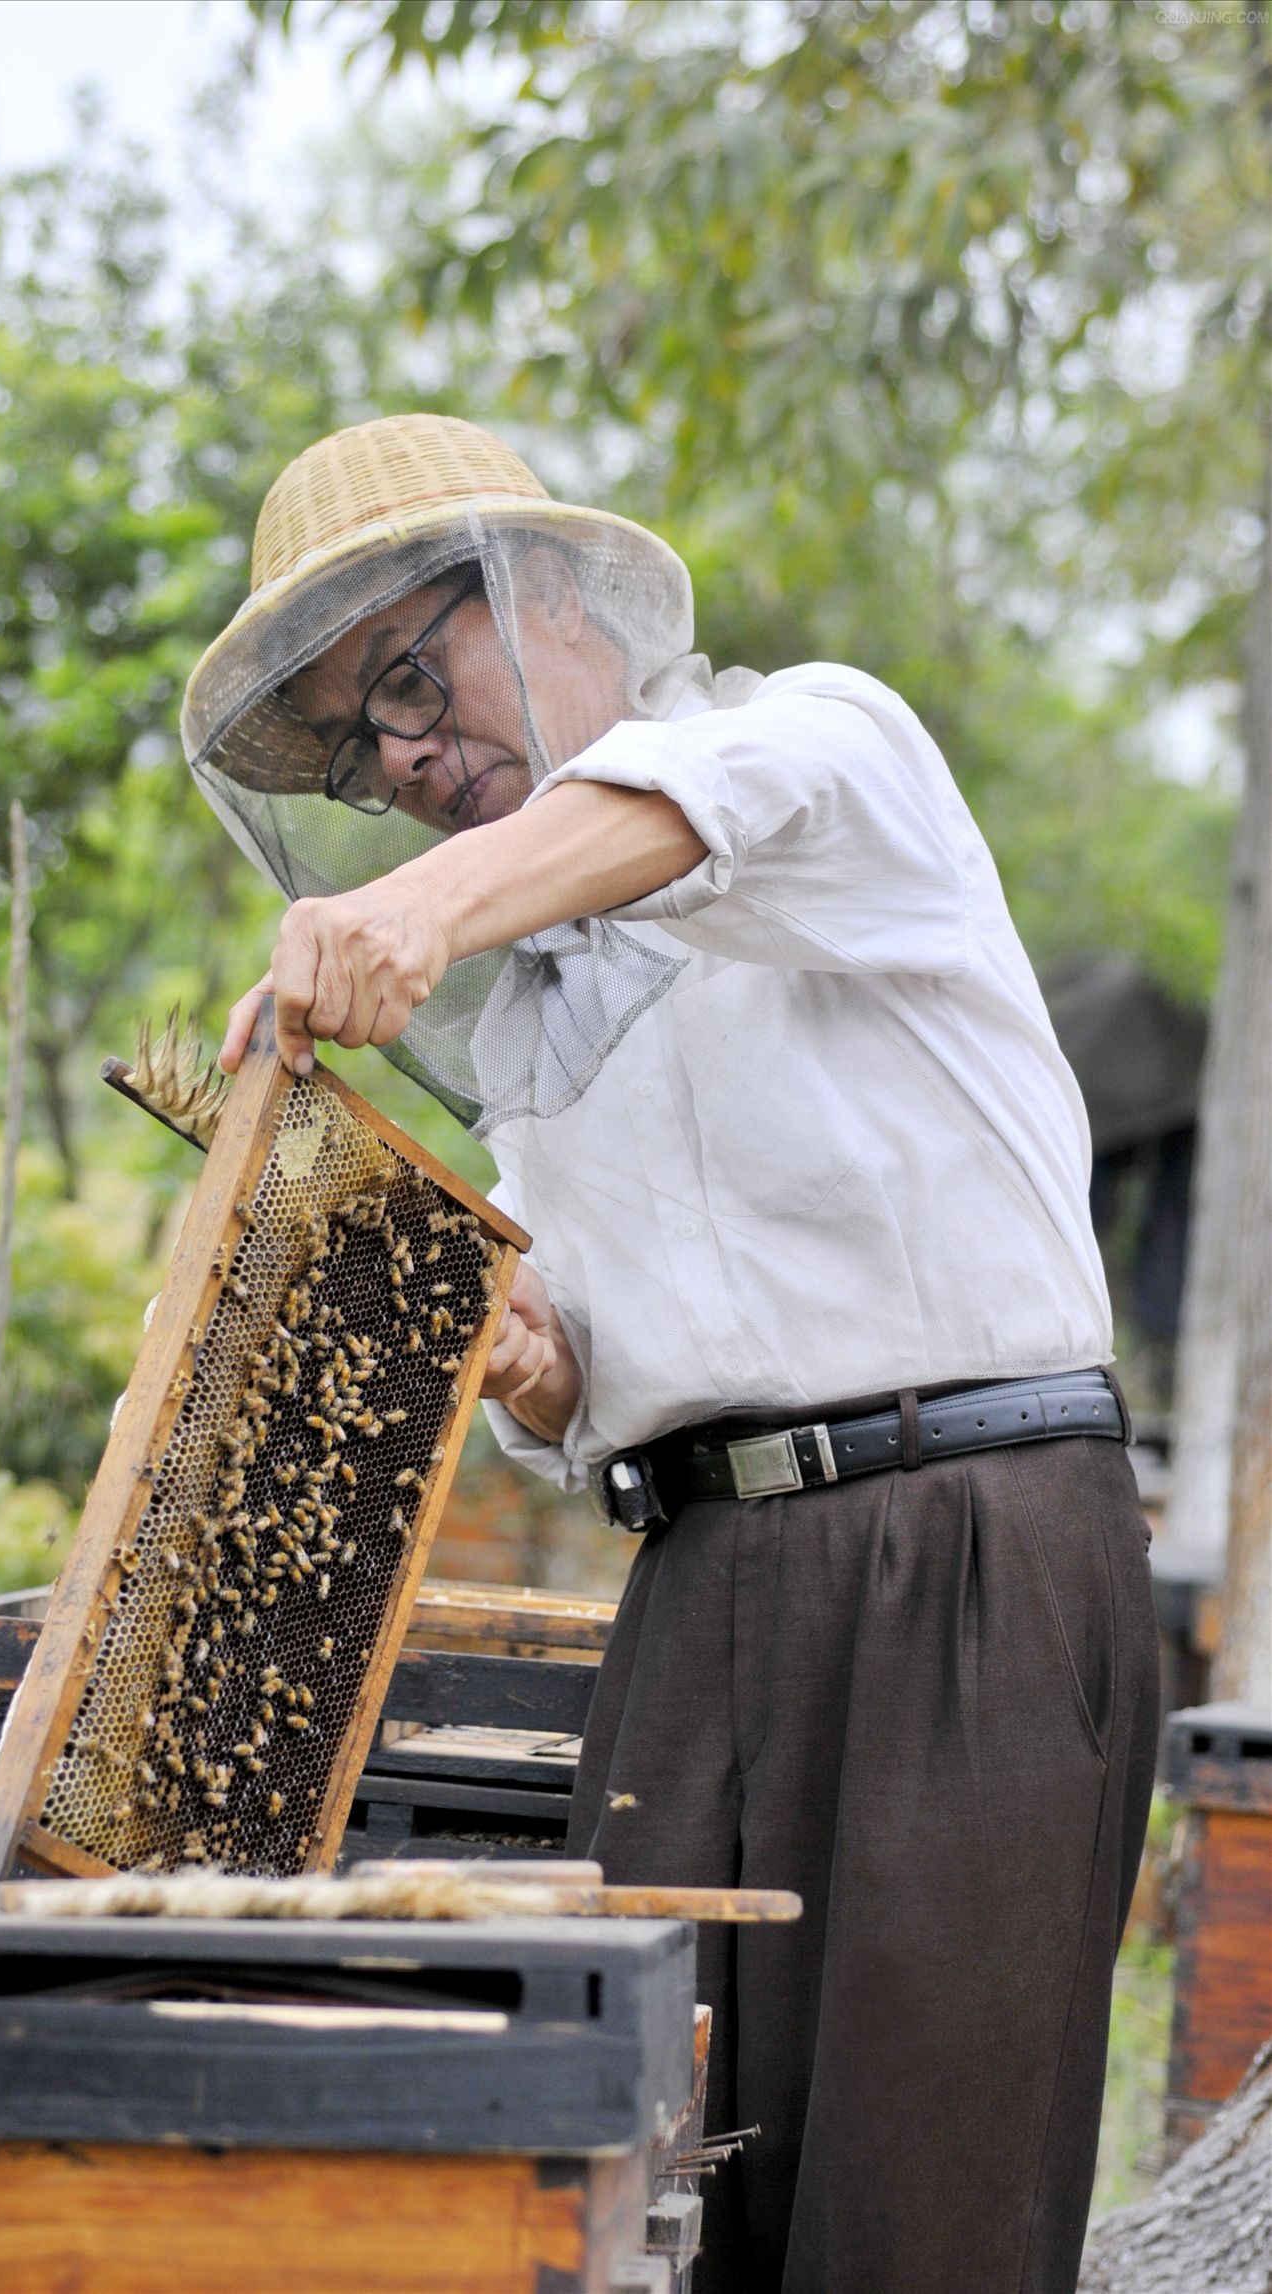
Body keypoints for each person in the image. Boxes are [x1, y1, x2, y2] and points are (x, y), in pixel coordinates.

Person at [182, 413, 1159, 2294]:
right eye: (366, 747)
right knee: (643, 2205)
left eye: (412, 674)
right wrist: (549, 1375)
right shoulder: (535, 1006)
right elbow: (621, 1368)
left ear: (552, 588)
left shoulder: (828, 745)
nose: (406, 756)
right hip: (697, 1589)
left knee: (917, 2228)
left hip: (967, 1557)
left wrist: (408, 903)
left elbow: (702, 803)